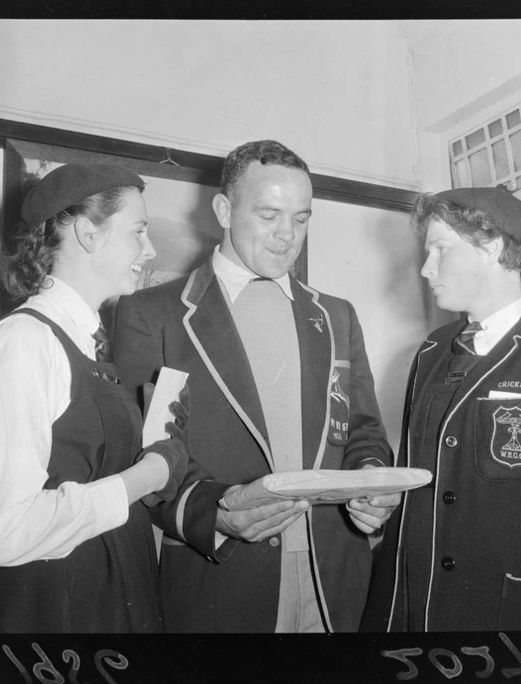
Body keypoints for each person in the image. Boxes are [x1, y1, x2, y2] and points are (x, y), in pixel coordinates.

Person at [112, 140, 399, 633]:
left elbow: (363, 431)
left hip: (335, 580)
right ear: (224, 209)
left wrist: (374, 483)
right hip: (221, 584)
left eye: (301, 219)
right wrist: (218, 516)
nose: (287, 236)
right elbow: (146, 452)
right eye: (269, 215)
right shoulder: (151, 315)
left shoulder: (336, 316)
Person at [0, 163, 189, 633]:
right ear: (89, 234)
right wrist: (145, 476)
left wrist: (151, 439)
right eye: (138, 232)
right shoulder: (23, 342)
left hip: (112, 593)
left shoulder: (88, 342)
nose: (148, 250)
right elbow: (3, 533)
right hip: (59, 611)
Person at [361, 186, 521, 632]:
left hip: (515, 620)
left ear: (492, 247)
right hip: (414, 611)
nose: (426, 269)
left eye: (440, 249)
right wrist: (382, 503)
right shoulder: (431, 351)